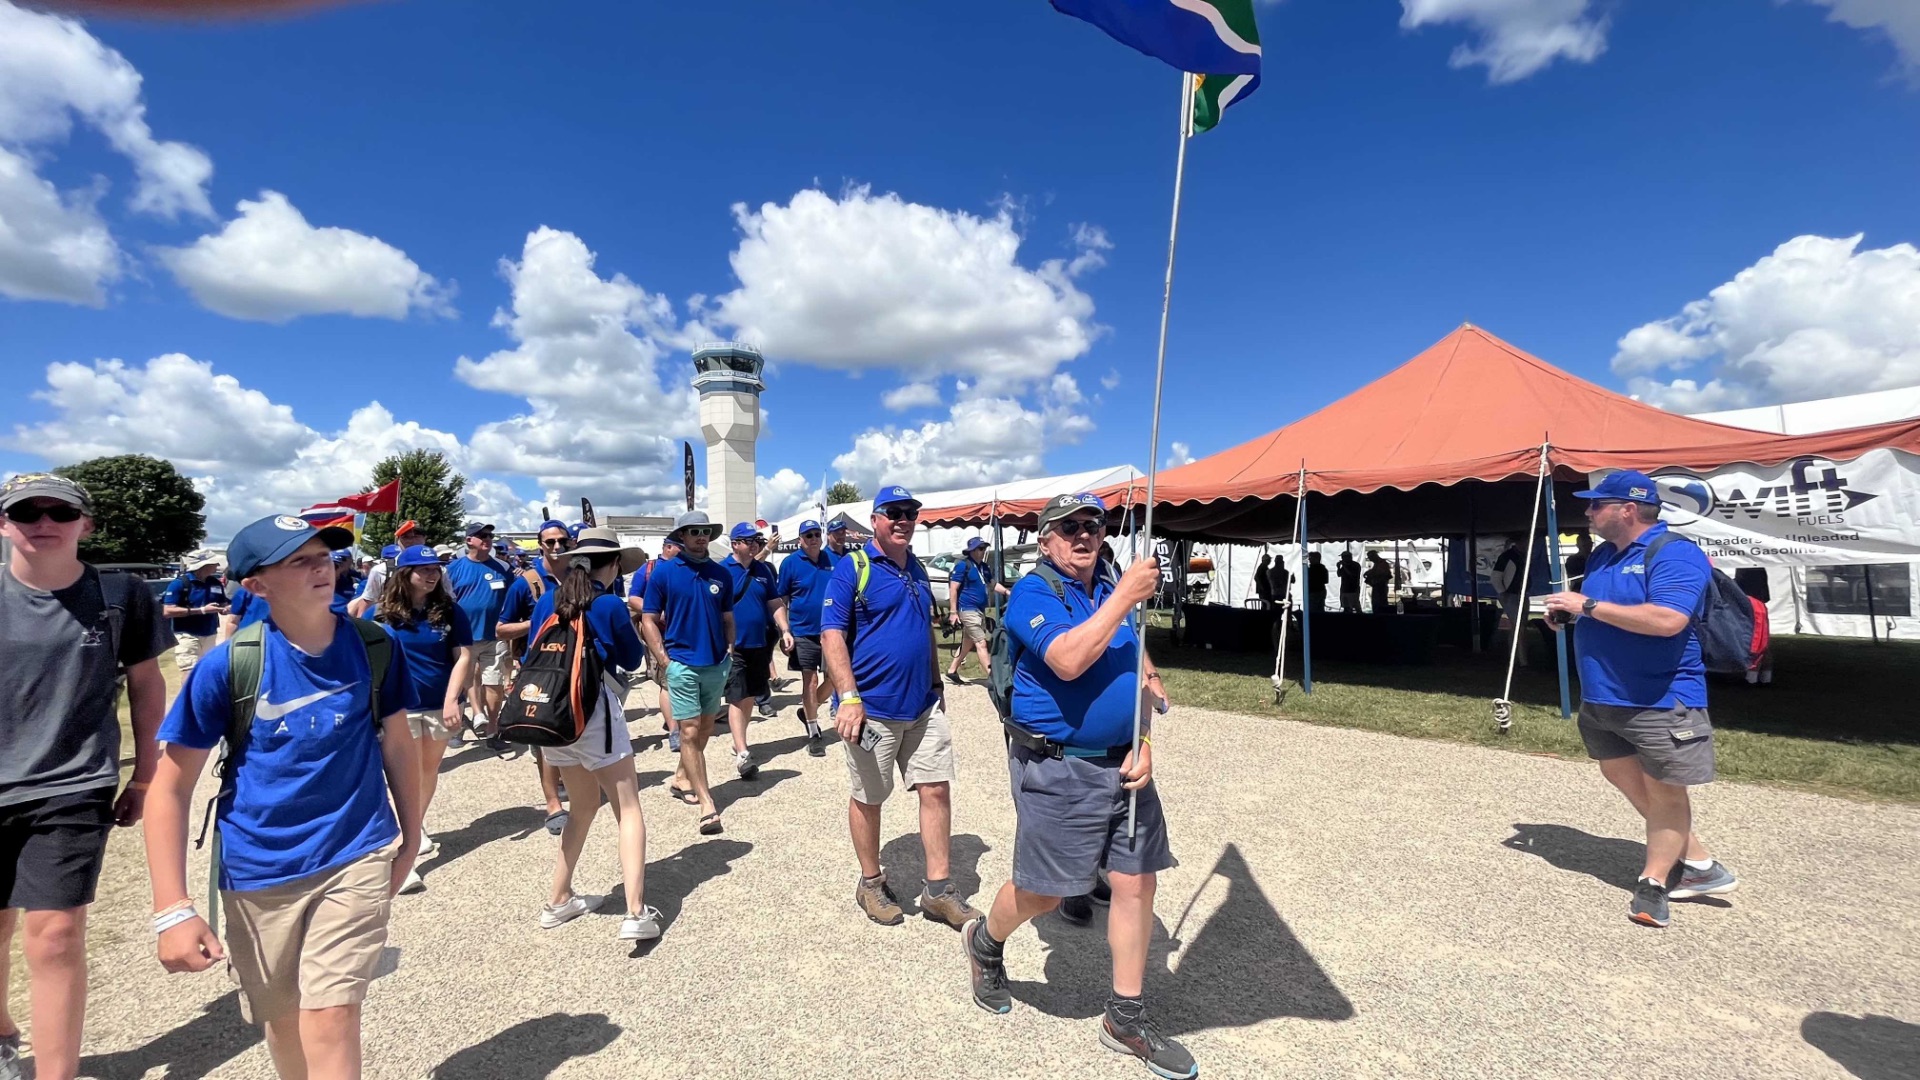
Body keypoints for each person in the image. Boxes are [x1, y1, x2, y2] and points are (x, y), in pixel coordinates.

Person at [144, 513, 421, 1080]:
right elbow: (170, 787)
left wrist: (410, 836)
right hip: (258, 870)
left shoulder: (375, 645)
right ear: (256, 584)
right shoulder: (229, 666)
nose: (322, 568)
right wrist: (172, 909)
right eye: (299, 561)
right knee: (283, 1018)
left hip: (356, 851)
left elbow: (397, 743)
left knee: (332, 1014)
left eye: (324, 556)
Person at [962, 493, 1191, 1079]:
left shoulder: (1108, 588)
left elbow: (1136, 669)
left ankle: (1125, 1017)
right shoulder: (1035, 593)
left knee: (1136, 883)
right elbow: (1067, 658)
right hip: (1060, 769)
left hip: (1126, 766)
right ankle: (985, 941)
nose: (1084, 534)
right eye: (1069, 527)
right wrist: (1124, 597)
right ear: (1046, 540)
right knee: (1044, 894)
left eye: (1093, 525)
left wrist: (1144, 737)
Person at [0, 474, 170, 1080]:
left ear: (86, 524)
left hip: (72, 783)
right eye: (27, 512)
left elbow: (147, 684)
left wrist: (145, 777)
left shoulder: (120, 595)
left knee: (54, 934)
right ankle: (2, 1032)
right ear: (4, 524)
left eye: (60, 512)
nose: (44, 522)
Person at [1542, 471, 1738, 929]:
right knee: (1620, 773)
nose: (1588, 512)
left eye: (1596, 504)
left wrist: (1587, 607)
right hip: (1603, 695)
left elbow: (1667, 620)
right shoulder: (1603, 555)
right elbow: (1610, 612)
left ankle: (1653, 882)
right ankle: (1700, 864)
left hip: (1660, 698)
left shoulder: (1675, 554)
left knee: (1665, 790)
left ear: (1627, 509)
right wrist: (1571, 615)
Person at [821, 485, 980, 929]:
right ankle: (871, 882)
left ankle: (938, 890)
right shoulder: (853, 567)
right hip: (871, 709)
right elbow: (832, 635)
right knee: (869, 796)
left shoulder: (918, 568)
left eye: (910, 513)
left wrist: (937, 681)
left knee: (936, 789)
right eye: (893, 512)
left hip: (923, 706)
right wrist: (848, 698)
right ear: (875, 519)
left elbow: (923, 628)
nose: (903, 520)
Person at [522, 527, 662, 941]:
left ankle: (559, 898)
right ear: (614, 563)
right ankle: (635, 911)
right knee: (628, 808)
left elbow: (530, 651)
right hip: (594, 711)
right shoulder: (608, 604)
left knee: (582, 807)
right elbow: (631, 660)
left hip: (554, 716)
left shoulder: (548, 600)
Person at [371, 546, 475, 895]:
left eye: (435, 569)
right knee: (406, 777)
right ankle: (405, 854)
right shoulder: (382, 614)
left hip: (438, 705)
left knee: (428, 772)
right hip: (399, 709)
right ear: (405, 574)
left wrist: (452, 699)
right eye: (424, 569)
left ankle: (413, 827)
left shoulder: (449, 610)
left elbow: (463, 657)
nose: (432, 575)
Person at [640, 512, 735, 836]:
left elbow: (727, 617)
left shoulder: (721, 573)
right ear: (682, 536)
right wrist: (663, 659)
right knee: (690, 731)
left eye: (705, 531)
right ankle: (708, 804)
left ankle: (682, 777)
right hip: (681, 664)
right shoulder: (664, 573)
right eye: (693, 531)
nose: (700, 535)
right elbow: (648, 618)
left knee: (705, 727)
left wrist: (730, 650)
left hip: (715, 663)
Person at [496, 519, 575, 835]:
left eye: (562, 541)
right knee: (543, 736)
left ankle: (574, 784)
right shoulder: (526, 583)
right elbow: (501, 629)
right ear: (540, 545)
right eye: (550, 541)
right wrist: (539, 621)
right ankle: (553, 803)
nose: (557, 546)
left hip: (575, 664)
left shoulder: (579, 576)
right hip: (539, 668)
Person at [720, 523, 779, 782]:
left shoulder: (763, 570)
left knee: (749, 697)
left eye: (757, 540)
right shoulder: (721, 570)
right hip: (733, 646)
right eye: (748, 540)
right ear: (735, 544)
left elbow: (775, 602)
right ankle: (743, 753)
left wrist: (785, 629)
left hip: (759, 643)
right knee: (736, 697)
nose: (754, 544)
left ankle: (739, 740)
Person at [446, 522, 514, 744]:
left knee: (494, 683)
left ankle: (492, 729)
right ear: (469, 540)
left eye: (489, 535)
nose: (487, 539)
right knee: (461, 682)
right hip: (462, 638)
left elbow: (513, 598)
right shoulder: (454, 569)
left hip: (494, 636)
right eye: (481, 535)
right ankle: (459, 727)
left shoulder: (503, 568)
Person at [774, 519, 837, 757]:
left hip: (832, 631)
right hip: (803, 631)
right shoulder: (790, 563)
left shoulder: (833, 560)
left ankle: (808, 708)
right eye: (808, 535)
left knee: (836, 679)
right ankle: (813, 732)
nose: (813, 539)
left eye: (816, 534)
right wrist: (784, 631)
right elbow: (781, 599)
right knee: (810, 681)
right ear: (800, 539)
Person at [944, 538, 1008, 685]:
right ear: (972, 551)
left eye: (984, 548)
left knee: (968, 642)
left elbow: (992, 584)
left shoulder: (983, 567)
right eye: (980, 548)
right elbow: (953, 588)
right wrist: (953, 612)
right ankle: (994, 678)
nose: (983, 551)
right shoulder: (963, 566)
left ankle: (952, 671)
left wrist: (1007, 592)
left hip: (979, 610)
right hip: (967, 609)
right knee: (981, 642)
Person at [161, 552, 228, 672]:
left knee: (207, 671)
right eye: (214, 563)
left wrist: (228, 608)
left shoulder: (215, 583)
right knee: (189, 671)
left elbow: (223, 604)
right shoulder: (179, 583)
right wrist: (202, 610)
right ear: (203, 565)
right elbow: (168, 611)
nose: (217, 565)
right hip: (187, 635)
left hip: (210, 634)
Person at [347, 520, 426, 619]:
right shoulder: (381, 571)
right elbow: (367, 603)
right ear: (398, 540)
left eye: (416, 536)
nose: (411, 541)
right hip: (391, 624)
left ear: (424, 539)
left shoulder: (438, 570)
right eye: (405, 537)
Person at [1494, 537, 1530, 663]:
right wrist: (1502, 592)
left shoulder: (1523, 556)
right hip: (1511, 594)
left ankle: (1515, 657)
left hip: (1522, 594)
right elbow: (1495, 576)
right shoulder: (1507, 556)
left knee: (1518, 627)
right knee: (1519, 627)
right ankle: (1523, 661)